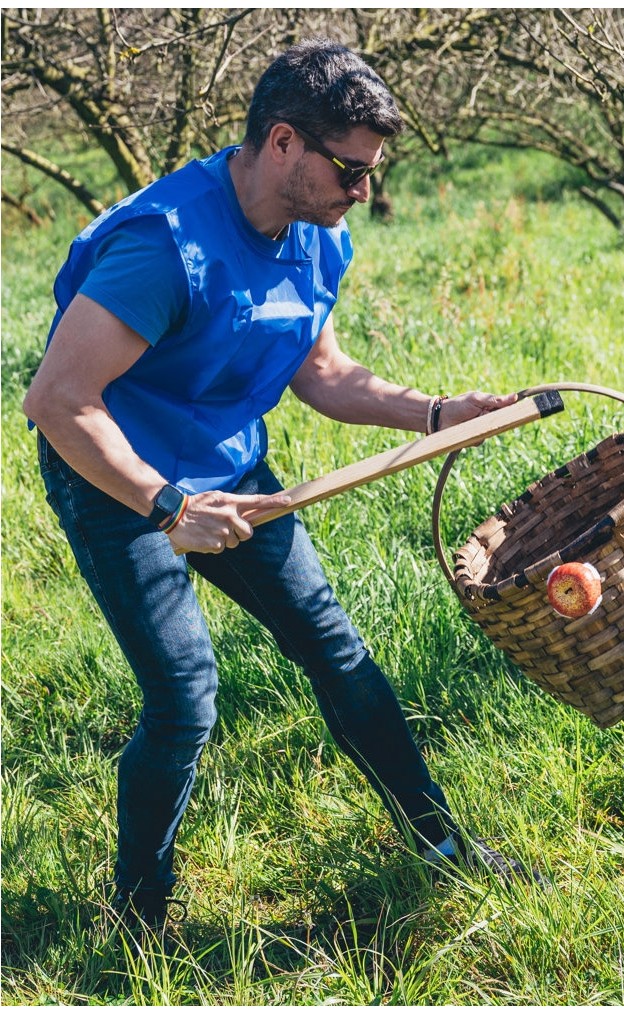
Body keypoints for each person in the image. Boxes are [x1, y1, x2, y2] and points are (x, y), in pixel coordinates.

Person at [24, 39, 540, 930]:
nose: (364, 192)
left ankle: (443, 844)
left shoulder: (315, 237)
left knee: (335, 647)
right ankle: (137, 913)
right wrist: (169, 506)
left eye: (372, 172)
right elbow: (59, 400)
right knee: (185, 697)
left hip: (232, 472)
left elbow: (324, 374)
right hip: (116, 477)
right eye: (351, 169)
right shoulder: (165, 244)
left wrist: (438, 412)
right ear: (285, 144)